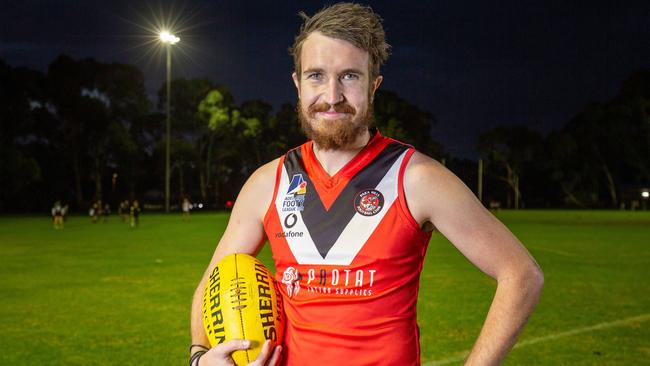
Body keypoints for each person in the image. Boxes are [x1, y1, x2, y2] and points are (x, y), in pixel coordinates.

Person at [190, 3, 543, 366]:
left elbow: (521, 275)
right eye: (315, 75)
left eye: (349, 76)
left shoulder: (416, 178)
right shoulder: (268, 184)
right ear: (297, 84)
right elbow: (212, 283)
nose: (331, 95)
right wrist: (200, 358)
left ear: (374, 85)